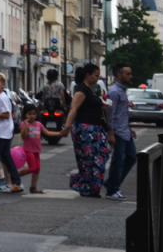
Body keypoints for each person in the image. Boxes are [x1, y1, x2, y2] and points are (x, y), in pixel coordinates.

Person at [57, 64, 112, 198]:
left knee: (99, 156)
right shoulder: (81, 90)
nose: (98, 78)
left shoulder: (90, 89)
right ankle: (88, 187)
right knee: (90, 159)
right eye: (96, 75)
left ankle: (90, 186)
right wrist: (67, 128)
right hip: (86, 129)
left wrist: (101, 107)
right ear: (88, 75)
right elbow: (73, 108)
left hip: (95, 128)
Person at [104, 62, 137, 201]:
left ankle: (111, 183)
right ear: (119, 75)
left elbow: (121, 113)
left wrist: (129, 128)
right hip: (117, 131)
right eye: (128, 74)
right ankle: (112, 190)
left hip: (125, 131)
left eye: (130, 73)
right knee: (118, 161)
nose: (131, 76)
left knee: (131, 157)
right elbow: (110, 114)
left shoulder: (122, 90)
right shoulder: (115, 92)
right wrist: (111, 133)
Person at [10, 104, 45, 194]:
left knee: (37, 169)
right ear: (25, 115)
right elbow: (24, 135)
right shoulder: (23, 124)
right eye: (29, 114)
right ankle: (15, 176)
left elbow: (47, 132)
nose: (32, 116)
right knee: (32, 168)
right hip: (28, 150)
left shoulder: (39, 124)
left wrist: (60, 133)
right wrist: (26, 125)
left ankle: (33, 187)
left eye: (34, 114)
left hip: (36, 150)